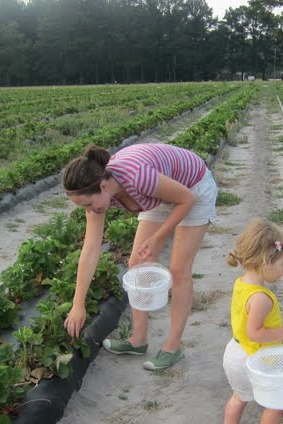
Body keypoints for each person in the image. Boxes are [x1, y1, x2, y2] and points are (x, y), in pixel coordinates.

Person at [62, 142, 218, 371]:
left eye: (88, 204)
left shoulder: (137, 177)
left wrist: (158, 238)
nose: (89, 210)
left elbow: (186, 199)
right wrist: (78, 304)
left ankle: (173, 347)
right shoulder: (98, 195)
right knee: (137, 262)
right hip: (162, 191)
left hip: (193, 188)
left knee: (178, 271)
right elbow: (90, 250)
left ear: (103, 186)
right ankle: (138, 339)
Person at [217, 218, 283, 424]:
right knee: (275, 403)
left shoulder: (242, 283)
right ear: (265, 262)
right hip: (255, 357)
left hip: (236, 351)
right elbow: (255, 333)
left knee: (239, 396)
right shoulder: (261, 297)